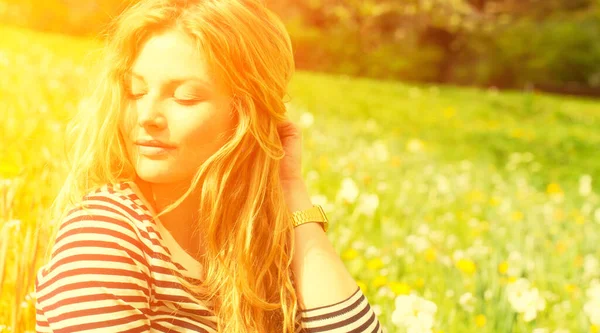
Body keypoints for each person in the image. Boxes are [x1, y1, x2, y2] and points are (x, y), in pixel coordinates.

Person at [34, 0, 384, 332]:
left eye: (184, 97)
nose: (147, 116)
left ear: (245, 114)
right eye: (135, 91)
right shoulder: (103, 236)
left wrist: (291, 187)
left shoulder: (258, 246)